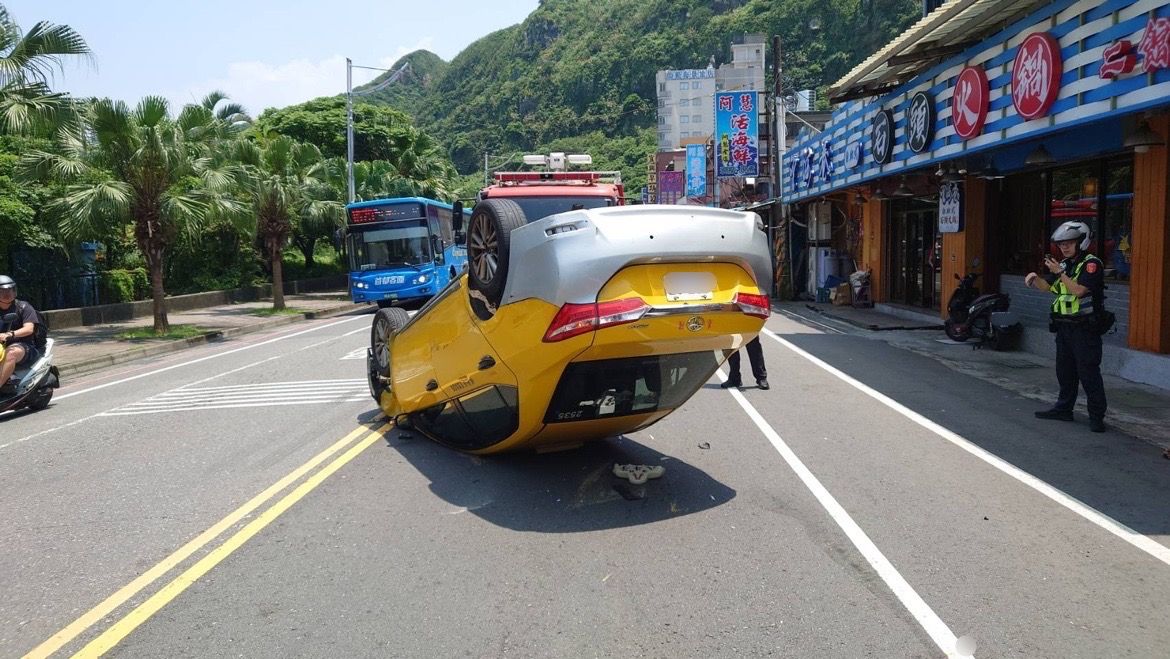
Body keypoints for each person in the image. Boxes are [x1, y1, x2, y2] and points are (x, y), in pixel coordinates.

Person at [1025, 221, 1107, 433]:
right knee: (1065, 372)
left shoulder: (1092, 264)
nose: (1064, 248)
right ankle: (1064, 409)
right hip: (1064, 328)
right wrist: (1034, 278)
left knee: (1088, 373)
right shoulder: (1065, 264)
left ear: (1082, 242)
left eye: (1069, 243)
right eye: (1061, 244)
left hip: (1085, 329)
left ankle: (1097, 417)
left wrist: (1060, 272)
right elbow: (1049, 288)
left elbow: (1079, 291)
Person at [0, 275, 40, 388]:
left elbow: (29, 328)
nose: (7, 294)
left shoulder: (23, 307)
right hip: (1, 347)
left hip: (24, 346)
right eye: (2, 291)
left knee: (11, 353)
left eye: (10, 290)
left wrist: (9, 334)